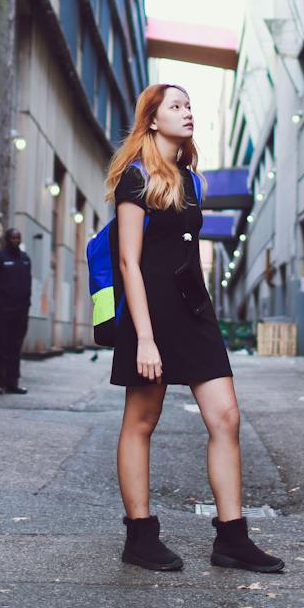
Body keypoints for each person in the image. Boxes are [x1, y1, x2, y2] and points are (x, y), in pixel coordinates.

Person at [106, 83, 284, 575]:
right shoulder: (135, 180)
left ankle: (232, 538)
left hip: (195, 309)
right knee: (142, 420)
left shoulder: (192, 180)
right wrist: (144, 336)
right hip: (152, 312)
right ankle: (140, 536)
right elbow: (128, 261)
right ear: (152, 119)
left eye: (190, 105)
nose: (188, 113)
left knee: (226, 416)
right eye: (177, 106)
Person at [0, 228, 32, 395]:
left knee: (15, 348)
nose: (16, 240)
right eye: (12, 237)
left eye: (18, 237)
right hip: (3, 312)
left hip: (20, 312)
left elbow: (28, 285)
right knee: (0, 347)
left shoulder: (25, 259)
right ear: (7, 239)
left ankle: (13, 383)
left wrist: (26, 305)